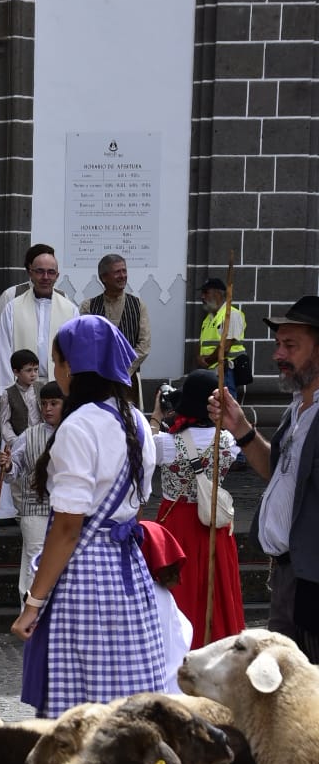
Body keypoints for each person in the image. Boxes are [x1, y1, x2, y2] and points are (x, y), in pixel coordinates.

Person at [12, 315, 165, 716]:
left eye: (57, 361)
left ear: (72, 368)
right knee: (127, 691)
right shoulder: (136, 420)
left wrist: (33, 603)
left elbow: (66, 528)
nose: (54, 370)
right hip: (127, 570)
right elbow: (137, 503)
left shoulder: (78, 426)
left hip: (85, 576)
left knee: (82, 700)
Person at [209, 295, 319, 662]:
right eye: (278, 344)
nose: (278, 355)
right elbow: (280, 471)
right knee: (284, 691)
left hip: (313, 580)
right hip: (289, 576)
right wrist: (240, 428)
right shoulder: (298, 409)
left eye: (291, 345)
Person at [149, 368, 244, 644]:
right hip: (213, 521)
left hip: (175, 524)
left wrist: (156, 416)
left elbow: (146, 449)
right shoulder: (228, 442)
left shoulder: (166, 444)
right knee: (216, 592)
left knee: (178, 592)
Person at [0, 380, 64, 607]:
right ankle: (29, 619)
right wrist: (8, 465)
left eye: (54, 403)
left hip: (67, 510)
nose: (47, 409)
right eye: (44, 403)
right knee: (33, 564)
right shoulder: (30, 435)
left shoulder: (75, 432)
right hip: (35, 508)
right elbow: (14, 470)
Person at [0, 244, 77, 400]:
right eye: (40, 272)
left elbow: (75, 351)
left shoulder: (69, 308)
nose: (45, 277)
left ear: (57, 275)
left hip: (58, 387)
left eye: (51, 272)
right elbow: (2, 348)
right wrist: (7, 393)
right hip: (23, 389)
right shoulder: (13, 305)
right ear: (31, 273)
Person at [80, 253, 151, 403]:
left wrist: (122, 370)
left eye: (124, 271)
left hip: (128, 381)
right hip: (98, 381)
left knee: (128, 423)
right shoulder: (88, 306)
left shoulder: (138, 305)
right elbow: (85, 344)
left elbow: (144, 345)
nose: (123, 276)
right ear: (104, 277)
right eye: (117, 272)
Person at [138, 520, 193, 694]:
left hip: (157, 685)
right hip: (175, 684)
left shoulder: (147, 593)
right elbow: (186, 631)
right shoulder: (162, 594)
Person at [197, 276, 246, 396]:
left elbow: (225, 347)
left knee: (226, 409)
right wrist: (199, 358)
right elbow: (203, 345)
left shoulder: (232, 315)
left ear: (218, 294)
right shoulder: (208, 319)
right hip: (211, 372)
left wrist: (206, 361)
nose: (202, 297)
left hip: (226, 372)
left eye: (206, 292)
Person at [0, 348, 40, 448]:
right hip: (20, 443)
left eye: (36, 369)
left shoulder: (42, 388)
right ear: (16, 372)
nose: (33, 374)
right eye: (29, 370)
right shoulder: (8, 394)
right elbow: (4, 423)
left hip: (41, 441)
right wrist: (16, 442)